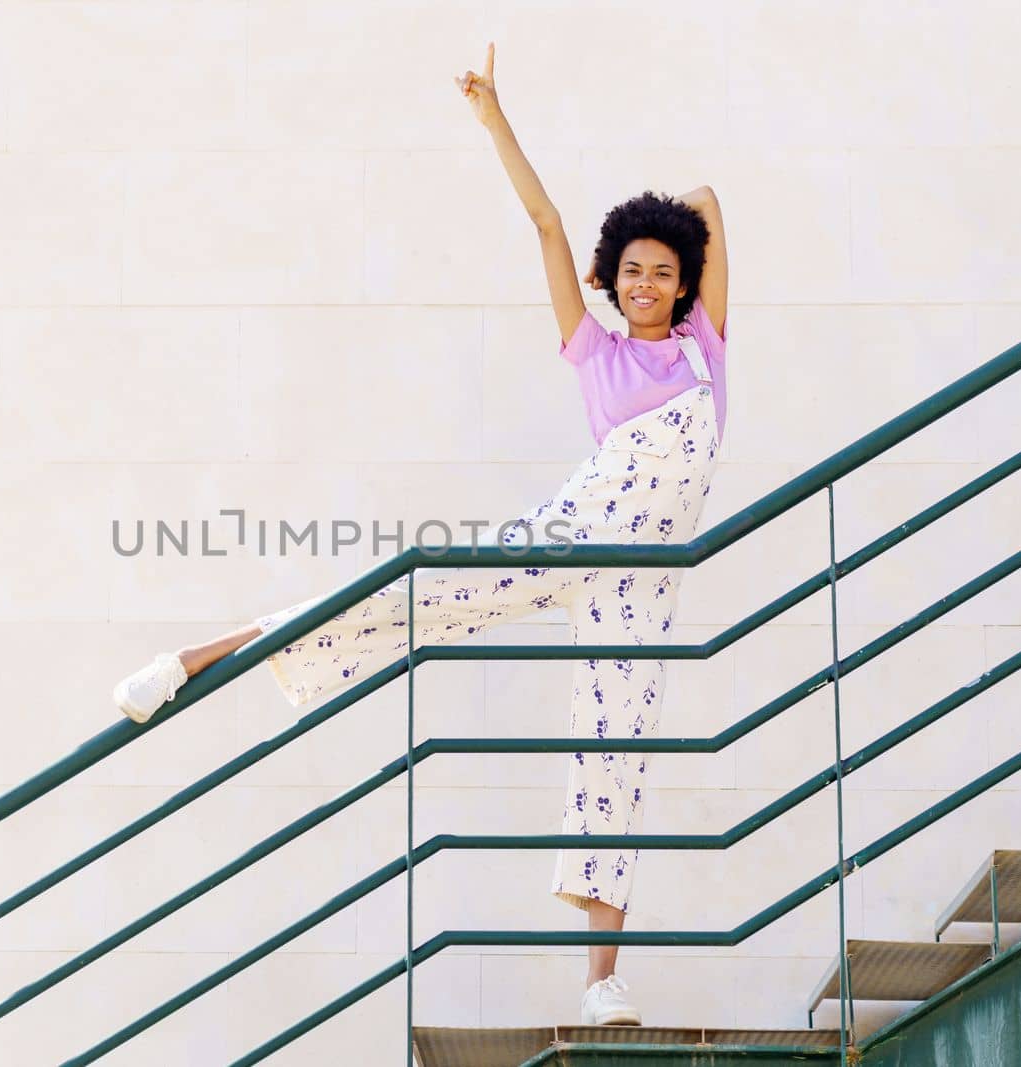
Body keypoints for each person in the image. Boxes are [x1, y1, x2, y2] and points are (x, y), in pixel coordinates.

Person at [111, 41, 728, 1029]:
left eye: (663, 270)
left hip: (643, 585)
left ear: (685, 283)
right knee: (411, 593)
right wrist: (495, 121)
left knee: (617, 753)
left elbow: (704, 200)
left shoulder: (706, 347)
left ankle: (601, 977)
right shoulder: (594, 350)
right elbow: (544, 220)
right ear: (608, 279)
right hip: (573, 534)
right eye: (632, 270)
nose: (648, 282)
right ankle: (189, 656)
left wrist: (666, 233)